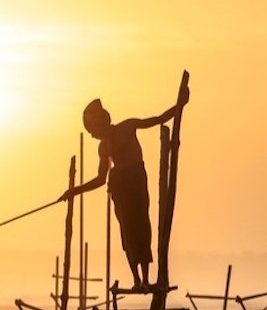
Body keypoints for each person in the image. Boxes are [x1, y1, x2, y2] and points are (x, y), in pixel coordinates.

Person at [59, 93, 188, 291]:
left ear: (102, 124)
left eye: (94, 130)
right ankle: (136, 280)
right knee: (128, 233)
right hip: (121, 187)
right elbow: (100, 180)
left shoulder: (128, 127)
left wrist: (180, 105)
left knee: (142, 227)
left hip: (136, 180)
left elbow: (158, 119)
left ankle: (145, 279)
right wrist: (74, 191)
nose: (93, 136)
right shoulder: (104, 148)